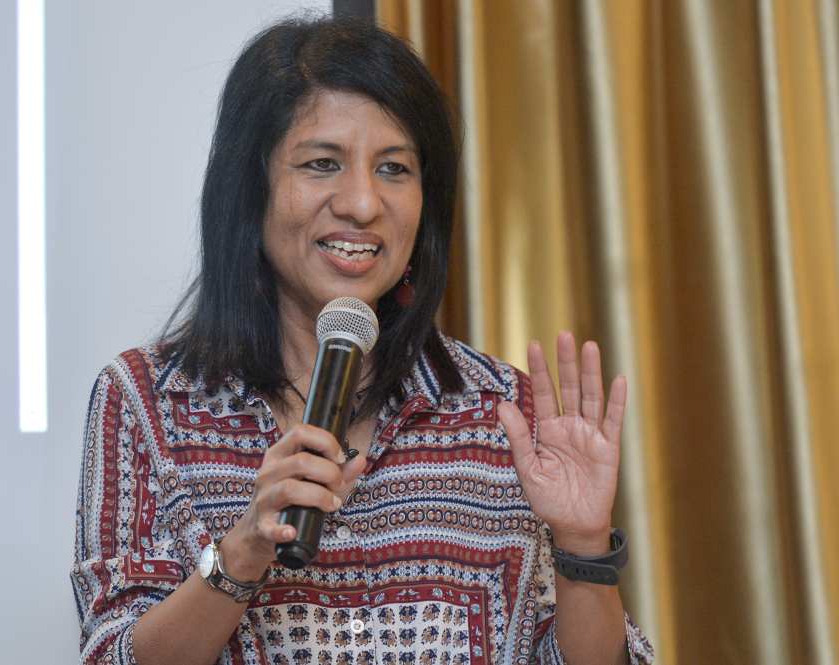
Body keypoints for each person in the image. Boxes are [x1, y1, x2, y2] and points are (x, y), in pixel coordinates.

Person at [72, 15, 655, 665]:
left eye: (394, 168)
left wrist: (583, 548)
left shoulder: (502, 411)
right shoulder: (149, 401)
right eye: (322, 163)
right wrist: (242, 550)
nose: (362, 203)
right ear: (250, 187)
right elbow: (113, 655)